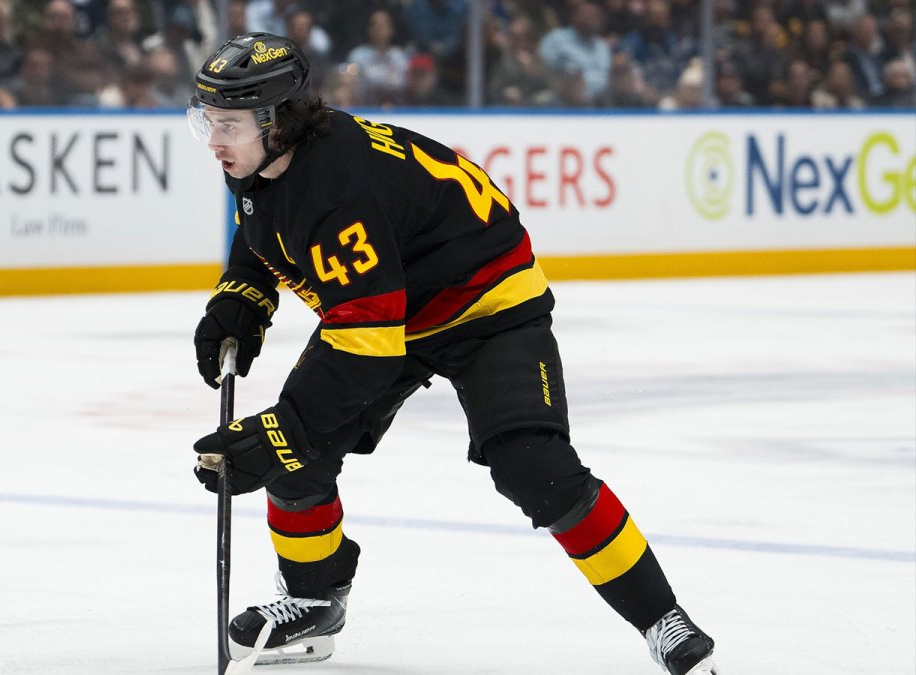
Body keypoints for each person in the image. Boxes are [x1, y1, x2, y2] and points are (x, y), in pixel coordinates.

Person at [186, 32, 718, 675]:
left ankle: (663, 620)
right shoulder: (266, 159)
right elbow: (265, 222)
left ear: (278, 121)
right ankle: (313, 600)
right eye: (207, 120)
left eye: (229, 124)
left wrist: (283, 432)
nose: (214, 141)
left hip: (488, 306)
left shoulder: (339, 189)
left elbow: (367, 348)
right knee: (300, 450)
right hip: (396, 302)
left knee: (532, 465)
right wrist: (243, 294)